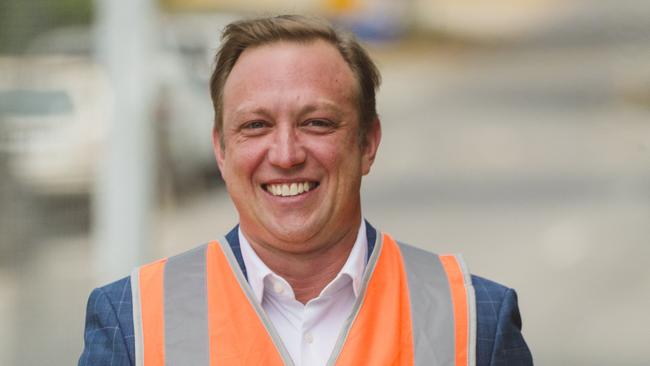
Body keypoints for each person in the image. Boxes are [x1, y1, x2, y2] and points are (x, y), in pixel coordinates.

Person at [79, 15, 532, 366]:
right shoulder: (130, 320)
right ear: (220, 149)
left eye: (316, 123)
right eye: (255, 125)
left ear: (367, 144)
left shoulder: (475, 319)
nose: (286, 153)